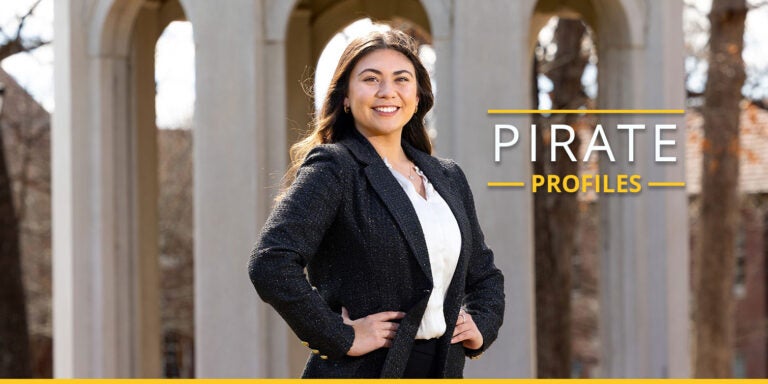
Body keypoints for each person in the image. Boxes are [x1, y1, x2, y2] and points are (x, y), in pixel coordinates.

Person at [248, 29, 504, 378]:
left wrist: (482, 326)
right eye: (371, 79)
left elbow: (485, 274)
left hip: (441, 368)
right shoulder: (334, 167)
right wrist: (341, 336)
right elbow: (270, 263)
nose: (388, 91)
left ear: (417, 96)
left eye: (402, 79)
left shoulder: (447, 176)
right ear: (346, 98)